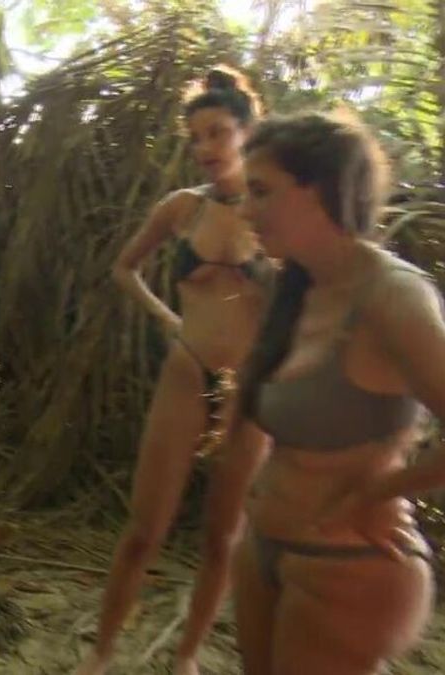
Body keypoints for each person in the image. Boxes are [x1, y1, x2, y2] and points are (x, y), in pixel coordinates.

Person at [204, 110, 440, 674]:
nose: (246, 209)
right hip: (265, 549)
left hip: (348, 567)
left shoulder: (393, 297)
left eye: (261, 191)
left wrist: (376, 494)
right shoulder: (296, 290)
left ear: (321, 190)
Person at [77, 66, 271, 675]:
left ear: (247, 132)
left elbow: (319, 294)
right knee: (143, 532)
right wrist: (167, 318)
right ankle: (102, 655)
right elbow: (124, 268)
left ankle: (186, 657)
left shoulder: (280, 216)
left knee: (222, 540)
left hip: (252, 396)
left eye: (218, 133)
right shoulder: (181, 209)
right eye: (196, 138)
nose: (205, 149)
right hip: (187, 376)